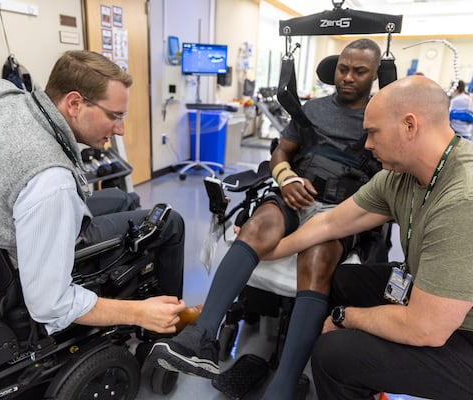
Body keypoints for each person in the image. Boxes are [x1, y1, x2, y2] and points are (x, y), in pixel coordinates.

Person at [146, 38, 386, 399]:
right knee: (259, 224)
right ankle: (203, 337)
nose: (347, 77)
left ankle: (285, 383)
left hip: (342, 209)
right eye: (342, 68)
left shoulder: (380, 116)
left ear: (375, 75)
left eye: (359, 71)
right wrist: (287, 178)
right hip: (295, 194)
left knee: (317, 258)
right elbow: (280, 155)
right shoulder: (313, 110)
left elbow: (391, 174)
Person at [266, 75, 473, 399]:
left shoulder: (470, 198)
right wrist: (268, 251)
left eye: (372, 133)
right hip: (439, 297)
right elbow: (329, 224)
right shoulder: (401, 176)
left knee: (335, 354)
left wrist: (345, 318)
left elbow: (426, 328)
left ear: (410, 126)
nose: (366, 144)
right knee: (339, 280)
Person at [0, 50, 187, 335]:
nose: (121, 129)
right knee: (170, 222)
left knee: (123, 199)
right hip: (13, 255)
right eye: (115, 116)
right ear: (75, 103)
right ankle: (168, 326)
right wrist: (139, 313)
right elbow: (49, 305)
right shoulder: (51, 181)